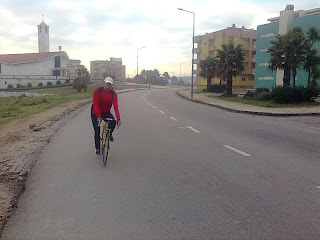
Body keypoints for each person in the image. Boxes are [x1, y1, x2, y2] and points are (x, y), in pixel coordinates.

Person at [91, 77, 121, 155]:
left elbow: (115, 106)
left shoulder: (113, 94)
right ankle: (97, 148)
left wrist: (118, 118)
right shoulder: (98, 91)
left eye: (109, 84)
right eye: (107, 83)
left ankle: (109, 133)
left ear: (112, 85)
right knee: (97, 131)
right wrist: (99, 116)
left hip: (106, 112)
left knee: (113, 122)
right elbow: (95, 105)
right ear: (104, 83)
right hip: (95, 112)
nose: (108, 85)